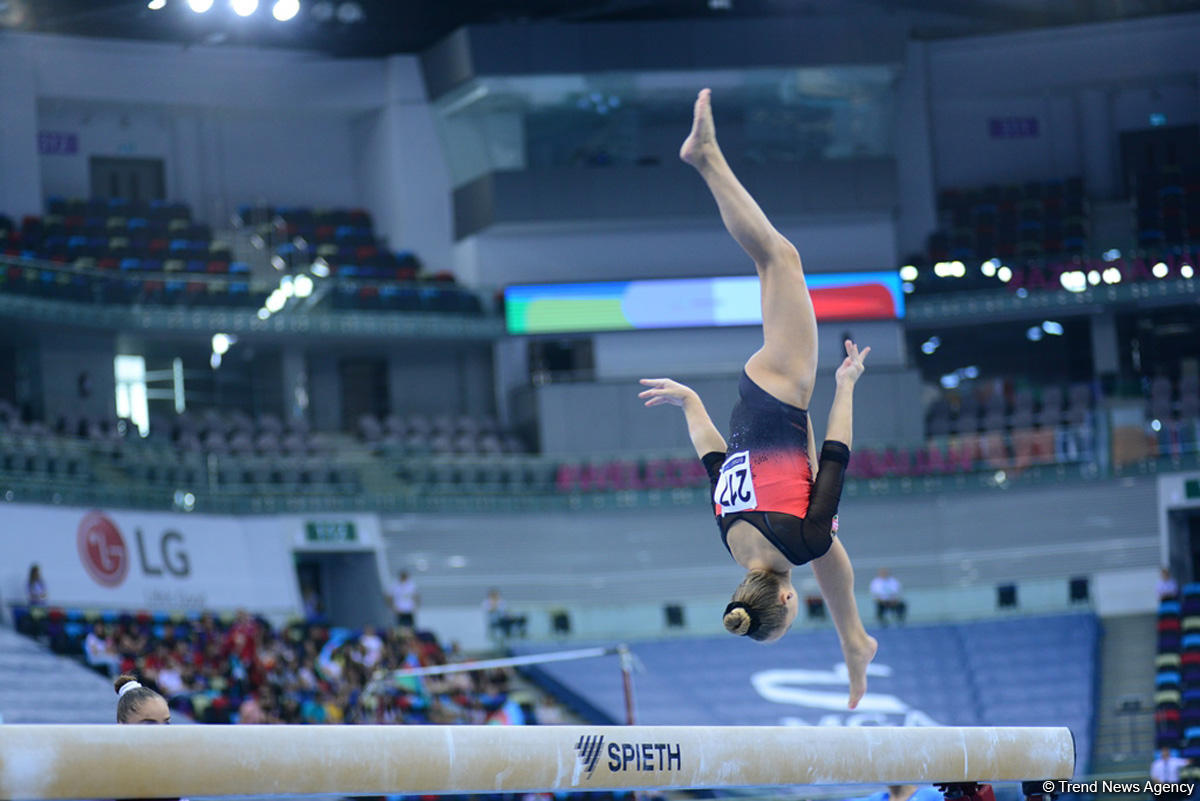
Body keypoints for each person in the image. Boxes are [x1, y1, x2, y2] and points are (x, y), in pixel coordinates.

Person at [639, 88, 876, 709]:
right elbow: (717, 465)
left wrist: (844, 385)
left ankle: (707, 158)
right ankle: (856, 643)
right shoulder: (733, 539)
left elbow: (836, 455)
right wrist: (692, 404)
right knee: (772, 263)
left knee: (778, 257)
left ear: (787, 601)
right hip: (754, 396)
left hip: (783, 390)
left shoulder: (801, 541)